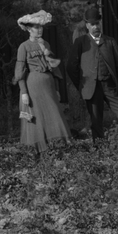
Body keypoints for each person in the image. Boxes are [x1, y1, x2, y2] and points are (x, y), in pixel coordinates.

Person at [15, 10, 73, 156]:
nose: (40, 30)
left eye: (41, 27)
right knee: (37, 116)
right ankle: (39, 151)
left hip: (48, 85)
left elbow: (53, 67)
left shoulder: (45, 44)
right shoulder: (24, 46)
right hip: (33, 85)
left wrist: (57, 89)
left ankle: (56, 148)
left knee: (53, 113)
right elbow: (20, 70)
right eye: (36, 27)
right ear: (29, 29)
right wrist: (24, 92)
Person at [65, 5, 118, 143]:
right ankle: (100, 148)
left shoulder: (110, 41)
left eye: (97, 23)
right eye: (92, 24)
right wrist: (81, 84)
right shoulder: (80, 42)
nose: (95, 27)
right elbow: (71, 67)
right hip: (91, 88)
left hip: (110, 86)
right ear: (87, 25)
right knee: (96, 120)